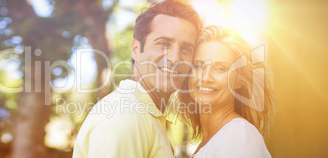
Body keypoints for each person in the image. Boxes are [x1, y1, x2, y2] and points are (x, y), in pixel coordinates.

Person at [73, 1, 202, 158]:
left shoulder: (144, 113)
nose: (175, 58)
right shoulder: (125, 116)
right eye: (163, 44)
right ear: (135, 50)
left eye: (186, 49)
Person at [178, 25, 275, 158]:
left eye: (219, 68)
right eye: (198, 66)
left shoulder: (240, 136)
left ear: (239, 80)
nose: (205, 78)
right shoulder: (213, 139)